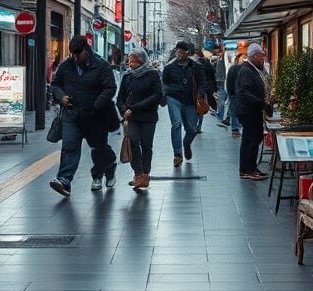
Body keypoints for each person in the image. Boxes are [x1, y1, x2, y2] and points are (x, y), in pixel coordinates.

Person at [48, 35, 118, 196]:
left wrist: (96, 104)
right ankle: (64, 180)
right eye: (72, 53)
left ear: (86, 50)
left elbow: (110, 88)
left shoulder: (102, 66)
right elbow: (56, 84)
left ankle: (110, 165)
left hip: (96, 116)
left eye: (78, 53)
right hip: (72, 114)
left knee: (99, 149)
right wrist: (61, 96)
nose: (75, 56)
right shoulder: (66, 66)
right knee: (69, 147)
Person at [116, 47, 162, 190]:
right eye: (130, 61)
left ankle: (145, 174)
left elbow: (157, 95)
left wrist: (134, 108)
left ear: (142, 61)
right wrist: (123, 110)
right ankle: (138, 174)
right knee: (133, 143)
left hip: (148, 116)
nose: (131, 64)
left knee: (147, 146)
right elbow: (120, 98)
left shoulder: (152, 74)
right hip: (131, 117)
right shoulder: (127, 77)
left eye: (134, 61)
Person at [233, 44, 272, 180]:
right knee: (251, 139)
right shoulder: (247, 71)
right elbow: (245, 93)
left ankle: (251, 168)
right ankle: (247, 170)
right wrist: (261, 103)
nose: (263, 59)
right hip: (248, 111)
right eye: (261, 56)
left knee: (253, 139)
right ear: (254, 56)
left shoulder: (254, 69)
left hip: (253, 109)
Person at [161, 40, 201, 168]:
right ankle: (177, 155)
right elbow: (164, 81)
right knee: (176, 124)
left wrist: (201, 93)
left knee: (192, 129)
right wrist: (166, 92)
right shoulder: (169, 67)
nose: (178, 54)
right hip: (174, 98)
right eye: (177, 51)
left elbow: (203, 82)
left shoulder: (196, 66)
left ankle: (186, 143)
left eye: (181, 52)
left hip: (190, 100)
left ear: (187, 53)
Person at [193, 51, 217, 133]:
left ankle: (195, 126)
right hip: (204, 88)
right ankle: (198, 126)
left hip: (198, 88)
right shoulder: (207, 63)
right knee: (201, 107)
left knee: (197, 107)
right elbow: (213, 73)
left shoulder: (195, 65)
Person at [224, 53, 247, 138]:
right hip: (234, 93)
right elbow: (229, 82)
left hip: (240, 94)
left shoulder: (246, 68)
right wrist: (231, 93)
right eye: (243, 57)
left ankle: (237, 127)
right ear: (238, 59)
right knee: (234, 110)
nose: (245, 59)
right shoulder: (234, 68)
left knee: (237, 110)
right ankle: (235, 128)